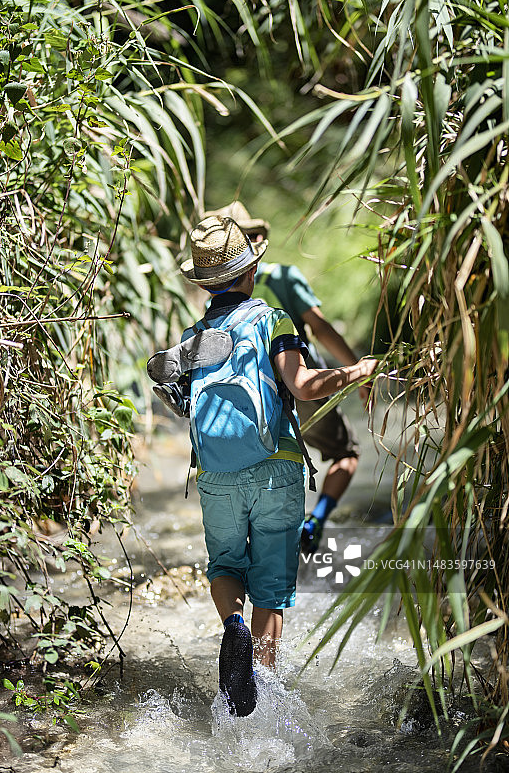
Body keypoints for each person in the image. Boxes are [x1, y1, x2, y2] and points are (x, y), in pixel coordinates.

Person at [177, 214, 377, 717]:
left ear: (204, 283)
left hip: (215, 473)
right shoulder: (272, 320)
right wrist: (355, 371)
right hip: (276, 468)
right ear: (250, 272)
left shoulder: (194, 336)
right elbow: (303, 386)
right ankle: (263, 694)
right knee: (270, 586)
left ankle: (233, 628)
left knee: (225, 566)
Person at [202, 202, 371, 554]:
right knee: (346, 451)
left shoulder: (215, 298)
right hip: (298, 383)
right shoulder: (283, 277)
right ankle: (316, 520)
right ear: (255, 245)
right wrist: (357, 371)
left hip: (248, 404)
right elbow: (321, 329)